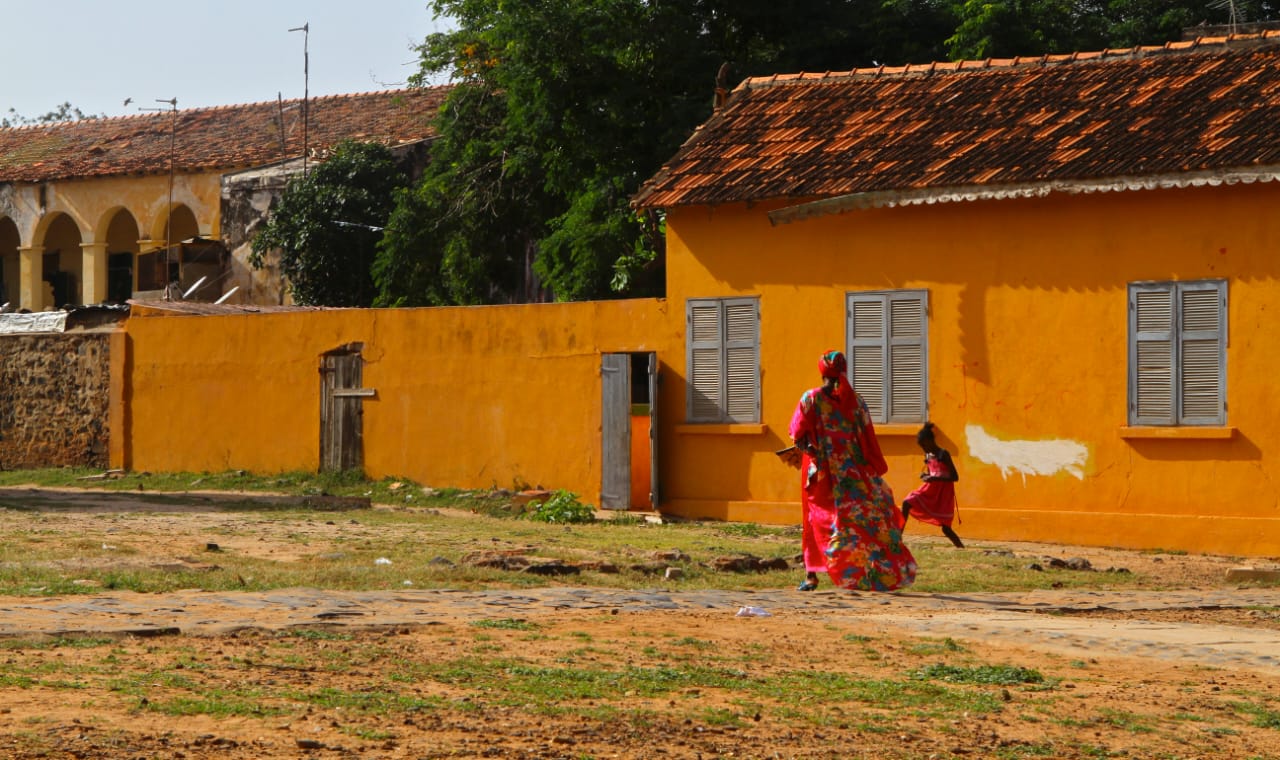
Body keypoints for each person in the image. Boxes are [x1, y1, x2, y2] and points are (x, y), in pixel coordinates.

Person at [782, 350, 916, 592]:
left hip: (820, 471)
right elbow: (868, 438)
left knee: (814, 519)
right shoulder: (856, 401)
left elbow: (798, 436)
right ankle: (865, 571)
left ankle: (812, 576)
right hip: (853, 471)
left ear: (821, 371)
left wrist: (815, 452)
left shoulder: (811, 399)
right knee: (861, 519)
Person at [902, 422, 965, 548]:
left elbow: (954, 477)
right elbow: (932, 472)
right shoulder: (927, 455)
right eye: (921, 447)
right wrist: (926, 476)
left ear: (931, 441)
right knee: (907, 502)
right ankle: (897, 537)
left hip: (942, 495)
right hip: (929, 491)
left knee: (946, 529)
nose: (924, 449)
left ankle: (961, 548)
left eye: (924, 445)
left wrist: (935, 478)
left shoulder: (943, 454)